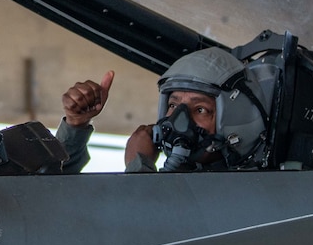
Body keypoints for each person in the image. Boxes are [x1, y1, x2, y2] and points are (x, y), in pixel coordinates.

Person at [56, 47, 243, 173]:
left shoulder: (241, 189)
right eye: (173, 106)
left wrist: (139, 165)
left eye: (201, 109)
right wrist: (76, 124)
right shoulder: (182, 183)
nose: (180, 120)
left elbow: (140, 223)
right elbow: (50, 196)